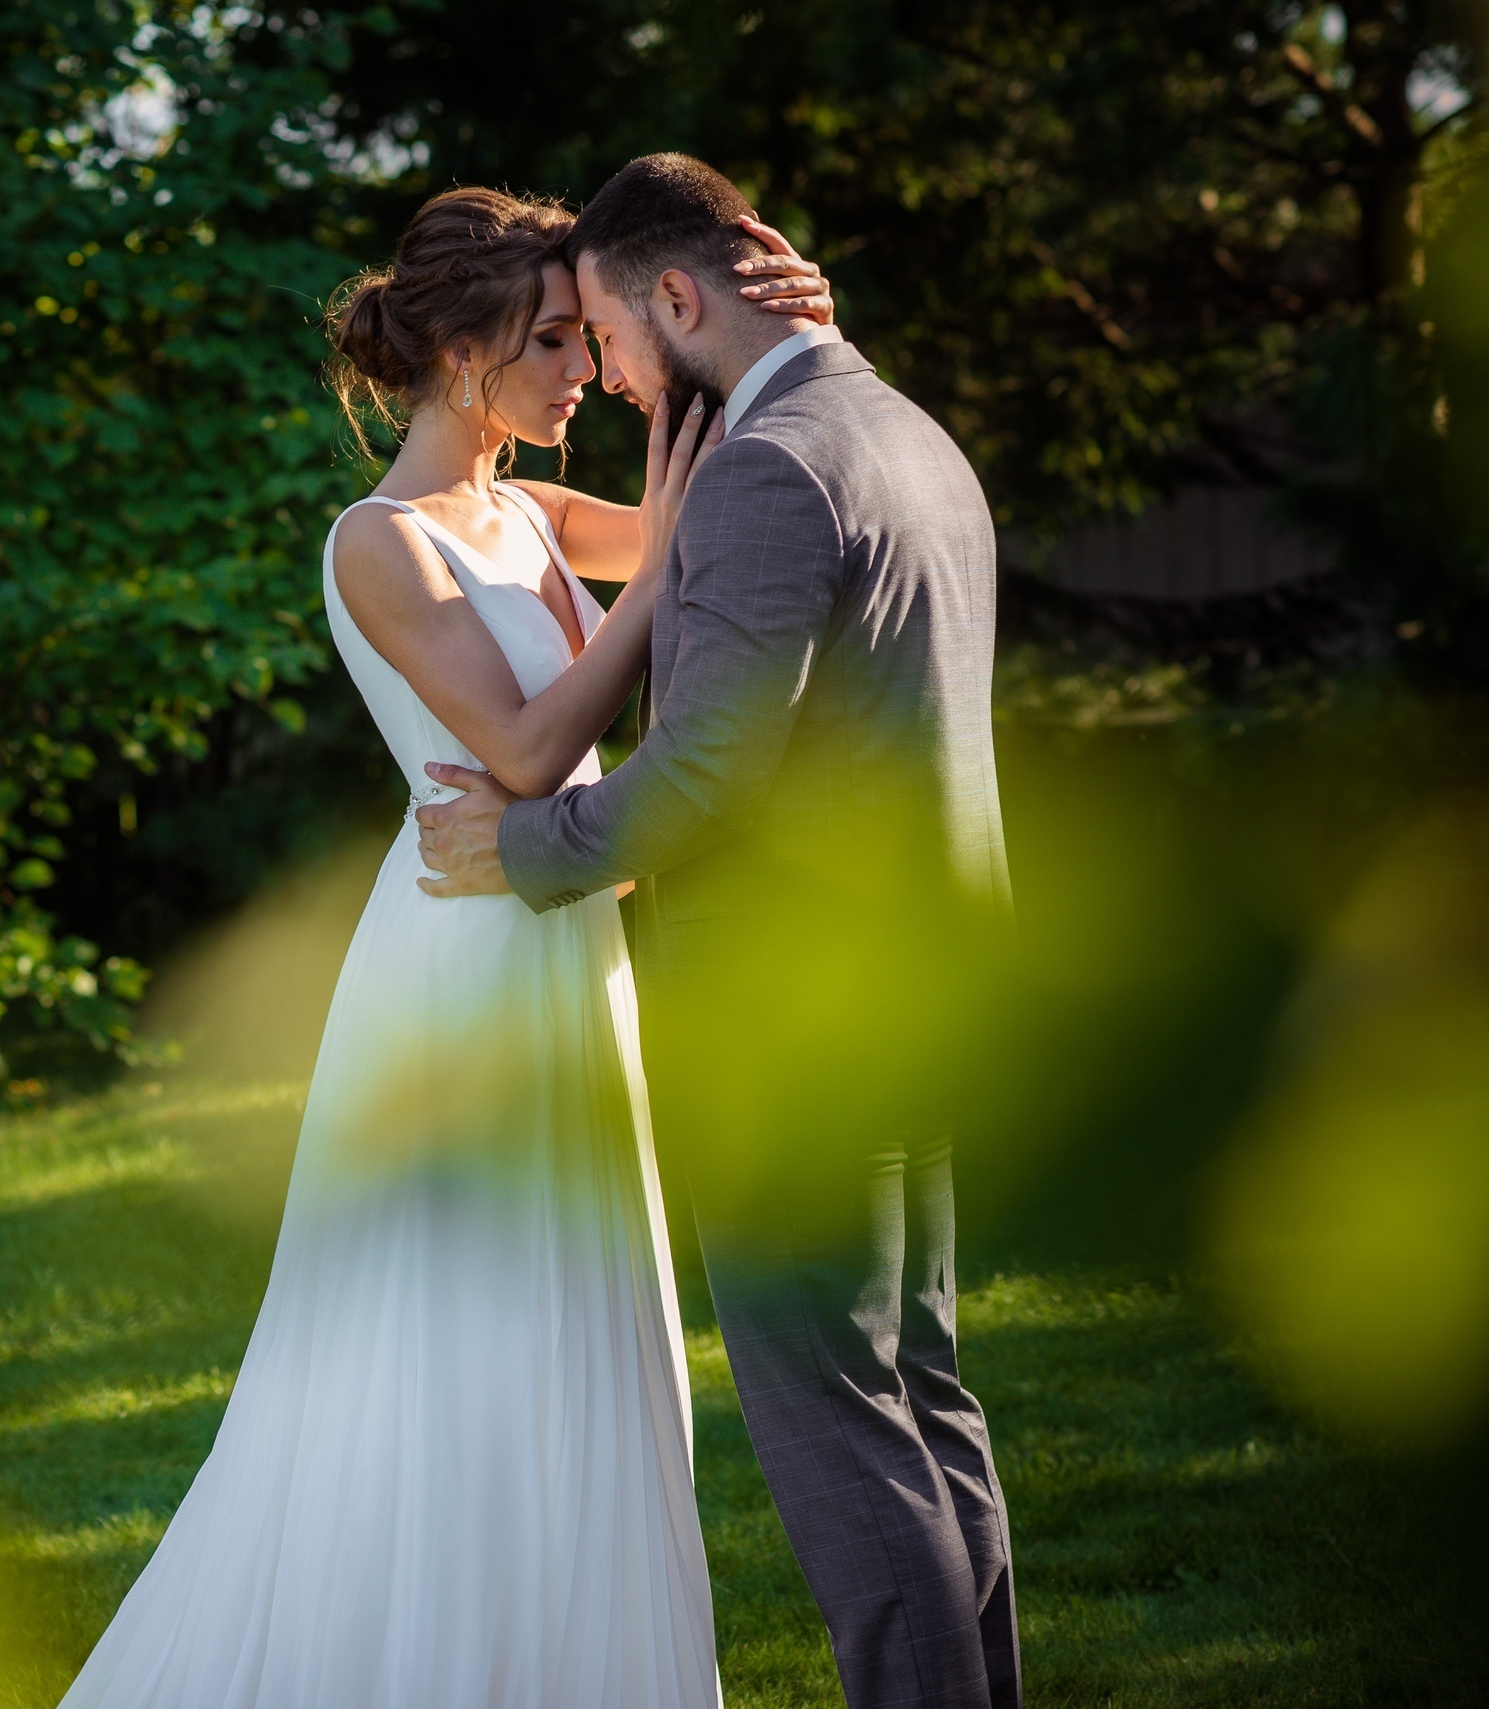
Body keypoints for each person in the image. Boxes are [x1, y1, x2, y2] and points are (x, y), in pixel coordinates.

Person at [57, 182, 833, 1708]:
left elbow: (731, 513)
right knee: (452, 1353)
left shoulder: (531, 512)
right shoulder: (381, 543)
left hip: (566, 958)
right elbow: (535, 749)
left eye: (582, 334)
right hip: (459, 978)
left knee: (575, 1341)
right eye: (552, 339)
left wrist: (797, 335)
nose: (585, 370)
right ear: (466, 346)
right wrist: (662, 562)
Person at [416, 155, 1020, 1709]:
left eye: (610, 336)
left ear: (682, 298)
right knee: (919, 1395)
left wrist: (521, 847)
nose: (609, 378)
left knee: (839, 1423)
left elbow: (702, 773)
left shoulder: (769, 468)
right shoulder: (900, 428)